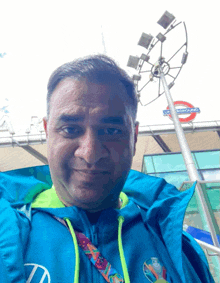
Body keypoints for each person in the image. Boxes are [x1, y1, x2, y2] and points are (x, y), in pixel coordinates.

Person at [0, 55, 214, 283]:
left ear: (134, 136)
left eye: (111, 131)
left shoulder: (179, 249)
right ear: (47, 131)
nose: (90, 153)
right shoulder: (7, 237)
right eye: (70, 129)